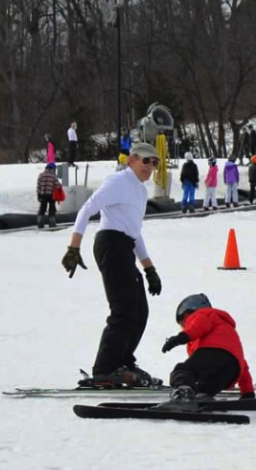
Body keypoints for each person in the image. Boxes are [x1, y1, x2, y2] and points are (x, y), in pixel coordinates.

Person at [62, 142, 164, 388]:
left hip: (125, 247)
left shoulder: (140, 191)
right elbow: (87, 209)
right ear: (132, 160)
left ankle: (123, 362)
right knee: (123, 309)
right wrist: (74, 247)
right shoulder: (118, 181)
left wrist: (149, 268)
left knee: (140, 311)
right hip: (110, 244)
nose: (150, 167)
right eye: (145, 161)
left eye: (155, 163)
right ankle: (105, 368)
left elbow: (135, 232)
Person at [159, 294, 256, 409]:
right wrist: (248, 392)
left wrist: (180, 338)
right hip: (233, 369)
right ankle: (204, 397)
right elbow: (242, 365)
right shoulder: (225, 330)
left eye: (182, 324)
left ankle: (183, 397)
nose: (184, 327)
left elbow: (199, 326)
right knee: (203, 387)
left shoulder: (203, 314)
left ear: (186, 314)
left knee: (183, 370)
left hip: (214, 353)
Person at [36, 162, 62, 228]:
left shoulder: (41, 175)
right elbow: (58, 185)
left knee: (42, 208)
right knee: (52, 208)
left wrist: (38, 194)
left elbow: (38, 186)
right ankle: (51, 222)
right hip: (51, 194)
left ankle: (40, 222)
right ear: (52, 168)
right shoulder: (53, 175)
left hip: (43, 194)